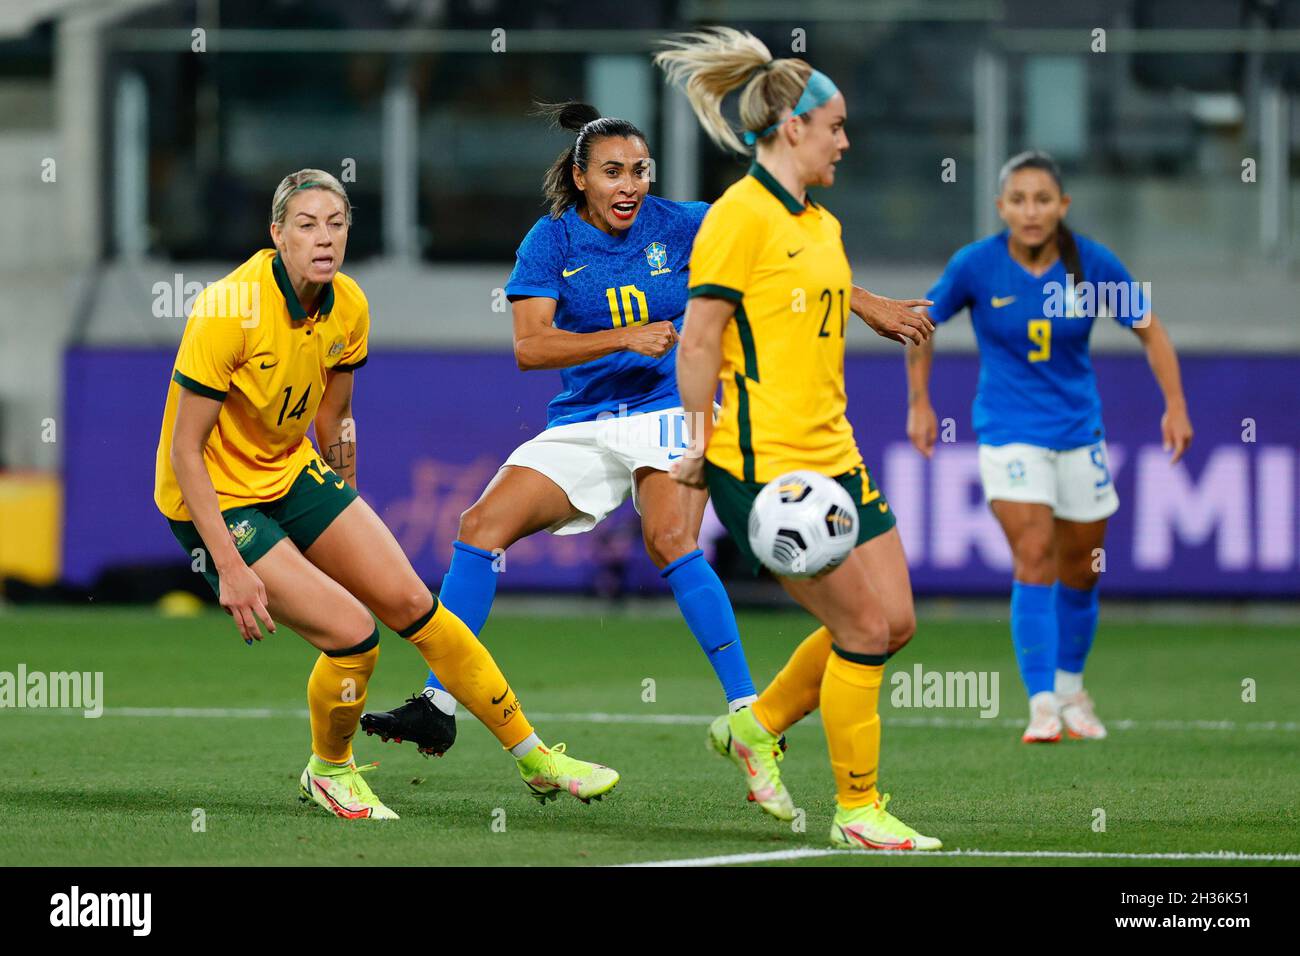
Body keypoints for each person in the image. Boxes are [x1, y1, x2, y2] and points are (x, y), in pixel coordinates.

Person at [361, 103, 929, 755]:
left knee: (667, 538)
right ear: (580, 178)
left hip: (667, 409)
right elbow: (531, 347)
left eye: (639, 171)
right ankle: (438, 702)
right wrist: (625, 338)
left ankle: (747, 709)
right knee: (478, 527)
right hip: (586, 420)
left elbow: (789, 256)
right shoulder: (551, 240)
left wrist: (871, 306)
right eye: (612, 172)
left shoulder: (686, 224)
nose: (629, 185)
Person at [153, 168, 618, 820]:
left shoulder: (348, 306)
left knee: (415, 604)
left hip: (291, 471)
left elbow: (335, 415)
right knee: (354, 636)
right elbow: (184, 449)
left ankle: (536, 759)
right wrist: (228, 565)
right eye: (307, 225)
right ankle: (330, 770)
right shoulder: (229, 310)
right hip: (214, 496)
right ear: (276, 234)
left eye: (336, 224)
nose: (324, 238)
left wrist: (341, 502)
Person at [657, 27, 941, 851]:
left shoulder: (819, 221)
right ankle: (859, 811)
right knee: (860, 633)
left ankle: (758, 727)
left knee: (896, 623)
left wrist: (872, 304)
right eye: (836, 128)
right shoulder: (736, 218)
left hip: (835, 454)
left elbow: (808, 277)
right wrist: (699, 442)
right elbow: (701, 337)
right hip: (765, 467)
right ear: (793, 129)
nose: (845, 142)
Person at [908, 150, 1193, 742]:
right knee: (1033, 553)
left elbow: (1150, 328)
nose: (1030, 211)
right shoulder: (976, 266)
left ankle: (1070, 687)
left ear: (1062, 206)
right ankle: (1040, 701)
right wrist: (920, 401)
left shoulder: (1090, 263)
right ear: (1000, 207)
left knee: (1083, 568)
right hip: (1008, 430)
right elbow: (920, 323)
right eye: (1018, 200)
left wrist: (1176, 405)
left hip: (1077, 431)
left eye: (1043, 200)